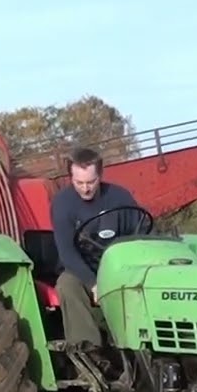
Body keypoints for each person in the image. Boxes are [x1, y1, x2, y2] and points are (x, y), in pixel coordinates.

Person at [51, 146, 142, 348]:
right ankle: (90, 350)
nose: (86, 188)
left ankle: (140, 344)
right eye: (79, 183)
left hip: (119, 266)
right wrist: (93, 283)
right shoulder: (62, 204)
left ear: (100, 175)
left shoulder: (120, 198)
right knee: (67, 285)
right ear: (70, 177)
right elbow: (66, 252)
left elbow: (141, 232)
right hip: (82, 268)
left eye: (91, 182)